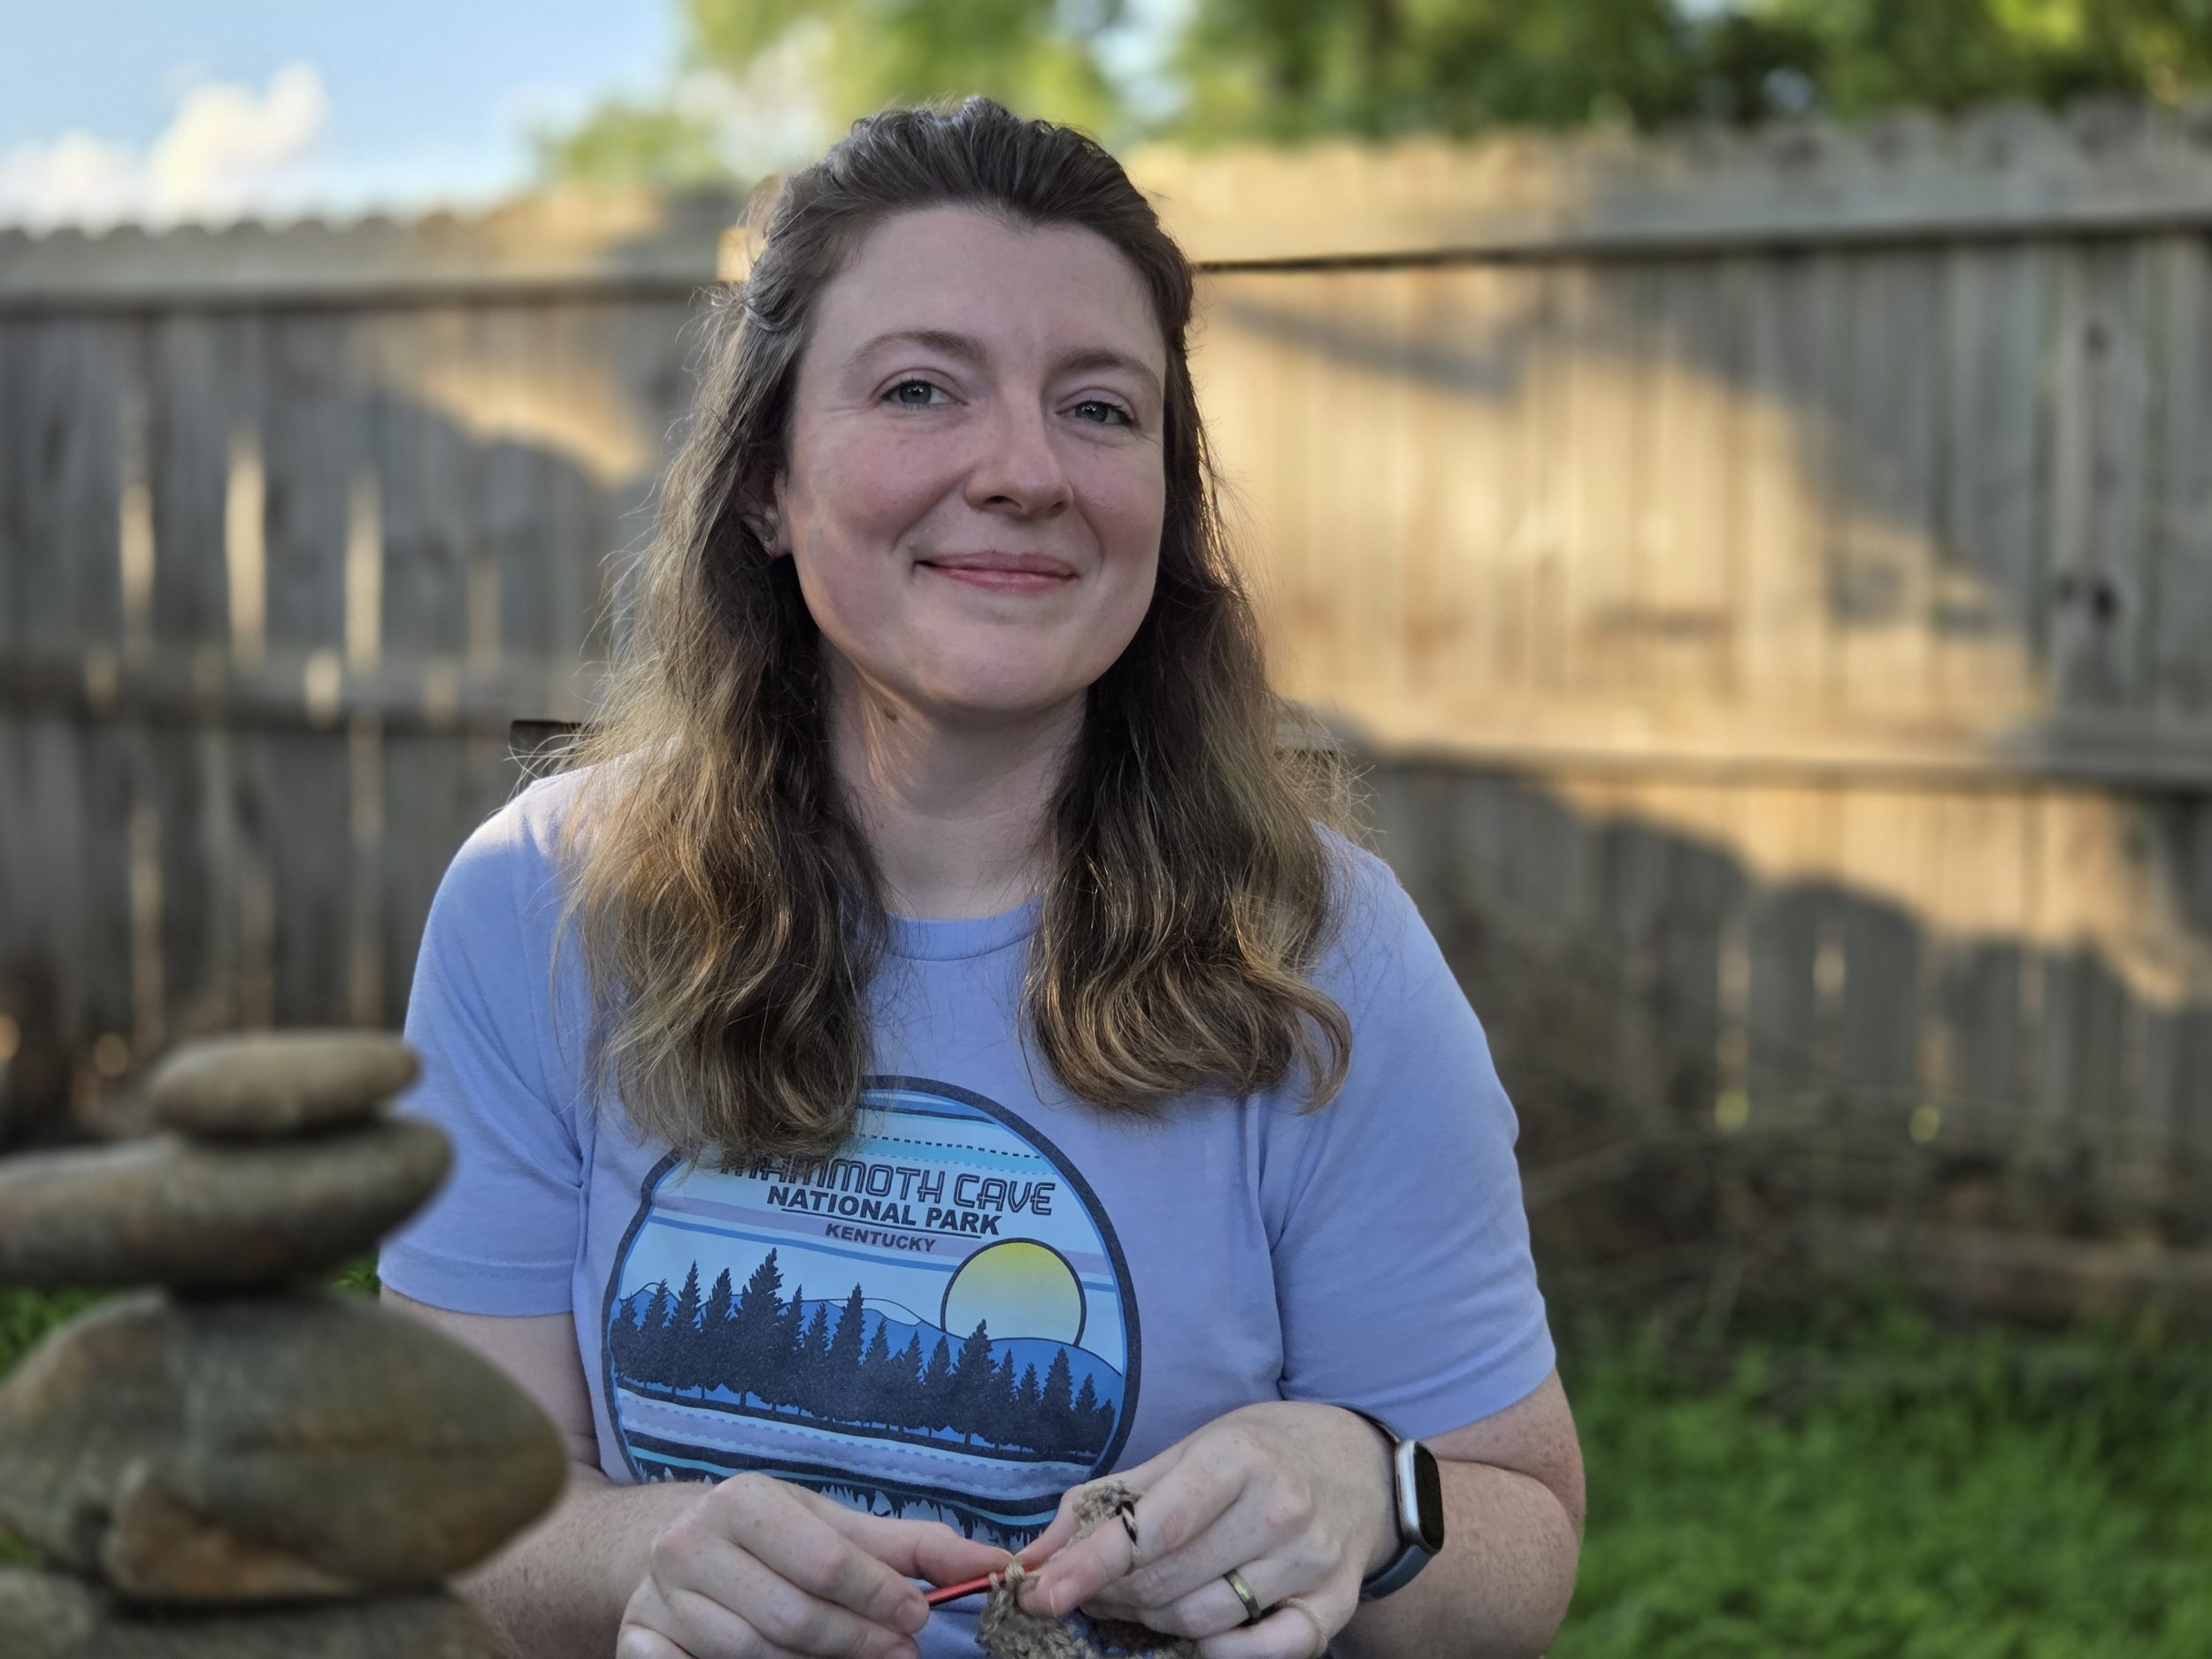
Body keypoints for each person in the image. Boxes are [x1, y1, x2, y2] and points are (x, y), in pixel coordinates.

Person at [378, 96, 1583, 1659]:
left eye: (1099, 408)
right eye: (921, 388)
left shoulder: (1319, 954)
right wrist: (643, 1555)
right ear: (765, 478)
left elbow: (1522, 1535)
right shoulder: (538, 910)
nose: (1024, 470)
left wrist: (1373, 1490)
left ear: (1166, 493)